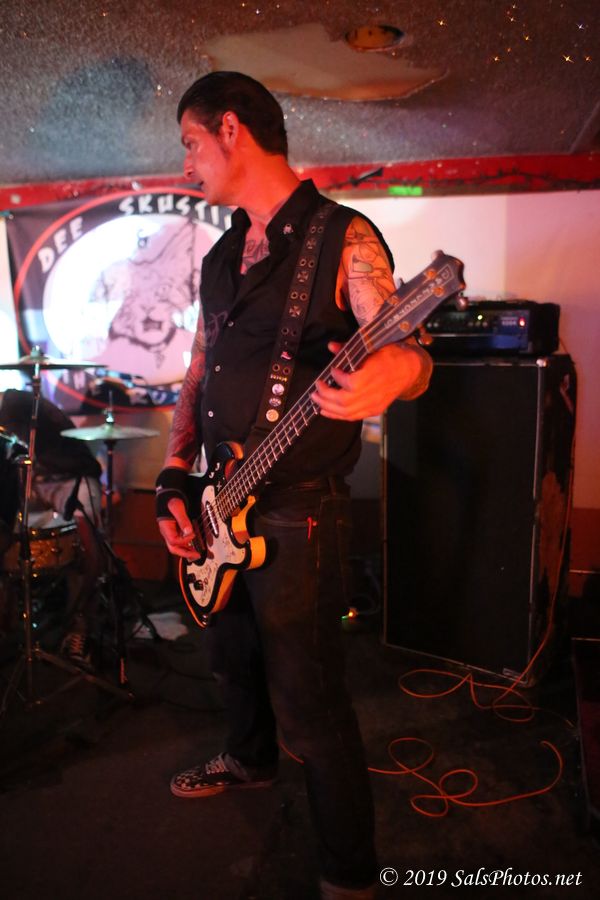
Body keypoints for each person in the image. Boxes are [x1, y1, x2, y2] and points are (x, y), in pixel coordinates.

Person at [156, 72, 433, 900]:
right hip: (219, 498)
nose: (186, 165)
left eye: (190, 144)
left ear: (230, 129)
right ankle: (248, 759)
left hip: (298, 513)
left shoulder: (343, 237)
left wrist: (398, 373)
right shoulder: (219, 257)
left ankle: (349, 875)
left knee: (310, 700)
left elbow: (412, 355)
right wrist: (174, 474)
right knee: (231, 659)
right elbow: (199, 370)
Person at [0, 389, 104, 667]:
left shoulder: (16, 403)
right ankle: (9, 619)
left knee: (89, 552)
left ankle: (81, 627)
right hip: (32, 483)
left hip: (74, 479)